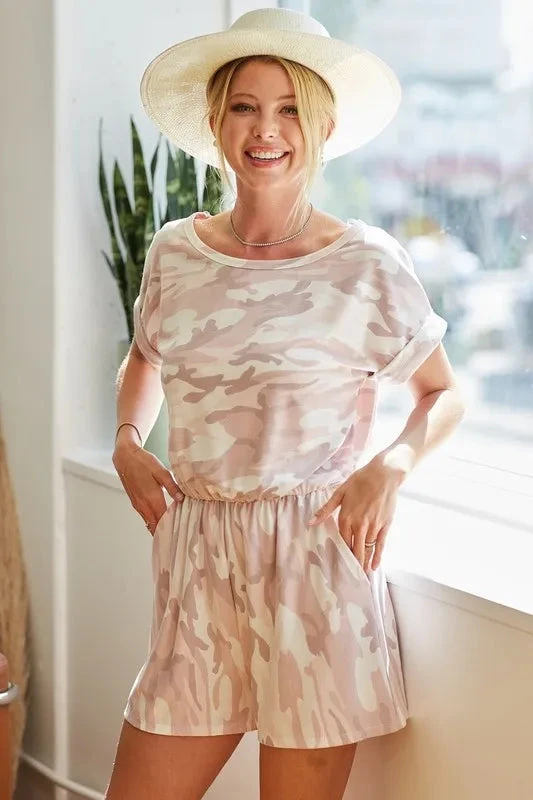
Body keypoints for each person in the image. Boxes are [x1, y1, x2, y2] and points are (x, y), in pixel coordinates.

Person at [106, 7, 465, 799]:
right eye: (244, 106)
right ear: (215, 122)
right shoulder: (174, 251)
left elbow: (441, 394)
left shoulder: (365, 263)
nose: (265, 129)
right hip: (198, 558)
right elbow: (145, 357)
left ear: (323, 126)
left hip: (313, 564)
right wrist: (128, 439)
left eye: (289, 109)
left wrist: (391, 465)